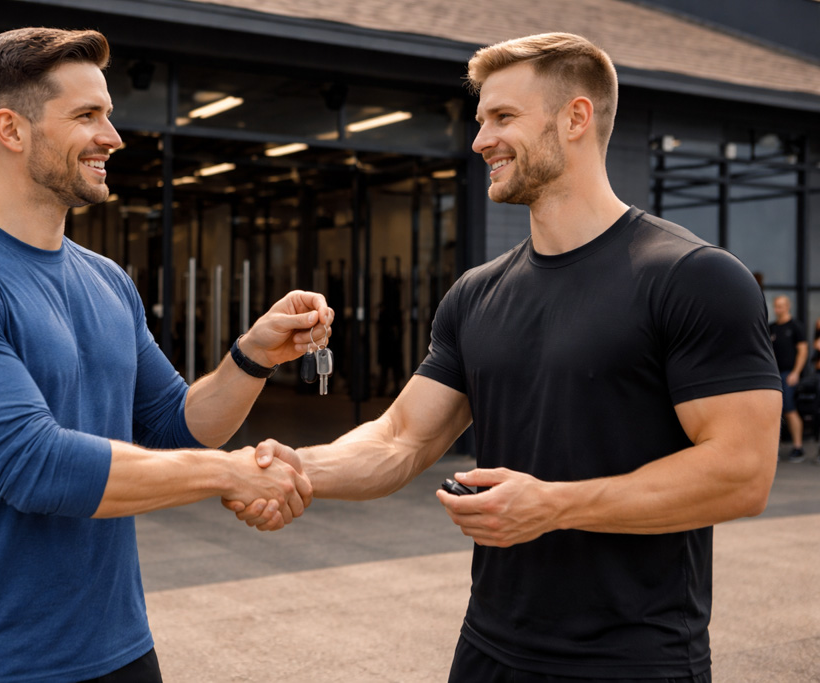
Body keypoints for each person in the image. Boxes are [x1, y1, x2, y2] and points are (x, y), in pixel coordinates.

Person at [231, 32, 781, 681]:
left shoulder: (692, 276)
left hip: (632, 658)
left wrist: (555, 504)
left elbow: (742, 472)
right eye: (480, 119)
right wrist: (290, 467)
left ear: (575, 117)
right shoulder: (475, 294)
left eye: (503, 117)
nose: (479, 140)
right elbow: (400, 438)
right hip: (489, 649)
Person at [0, 27, 329, 683]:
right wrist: (230, 475)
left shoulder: (107, 280)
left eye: (107, 114)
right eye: (87, 116)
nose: (113, 136)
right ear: (11, 129)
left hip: (120, 648)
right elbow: (34, 466)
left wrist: (251, 356)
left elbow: (176, 425)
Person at [770, 295, 808, 461]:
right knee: (773, 412)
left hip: (788, 374)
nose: (778, 309)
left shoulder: (795, 326)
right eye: (776, 306)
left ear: (788, 306)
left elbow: (803, 351)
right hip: (772, 375)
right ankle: (772, 450)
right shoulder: (771, 328)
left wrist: (795, 372)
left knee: (790, 409)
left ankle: (798, 447)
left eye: (781, 306)